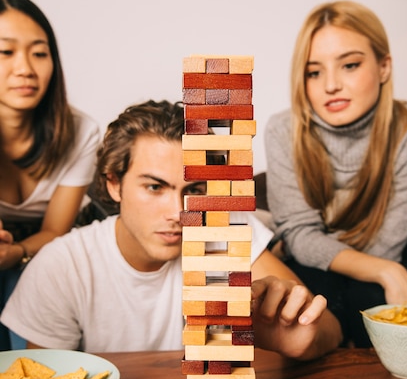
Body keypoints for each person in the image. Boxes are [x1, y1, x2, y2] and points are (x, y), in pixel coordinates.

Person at [1, 100, 342, 360]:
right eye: (154, 187)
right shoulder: (63, 266)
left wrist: (301, 340)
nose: (179, 213)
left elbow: (330, 328)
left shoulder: (222, 230)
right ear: (115, 184)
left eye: (193, 191)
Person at [265, 0, 407, 347]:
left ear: (383, 67)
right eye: (314, 72)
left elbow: (389, 242)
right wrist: (385, 271)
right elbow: (301, 236)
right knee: (307, 302)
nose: (330, 85)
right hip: (317, 266)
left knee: (378, 297)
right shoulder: (283, 130)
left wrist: (388, 268)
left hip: (386, 255)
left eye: (349, 65)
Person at [0, 0, 100, 350]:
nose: (25, 68)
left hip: (48, 245)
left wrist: (16, 252)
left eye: (39, 53)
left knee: (29, 280)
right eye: (5, 52)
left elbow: (56, 230)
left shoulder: (81, 131)